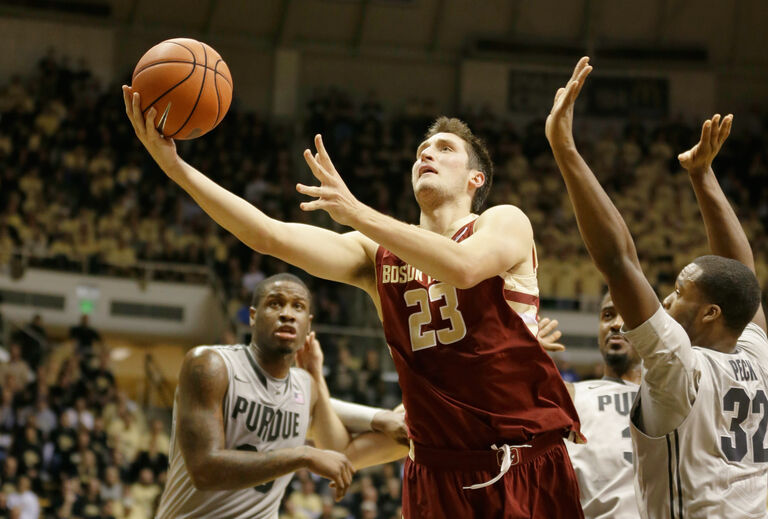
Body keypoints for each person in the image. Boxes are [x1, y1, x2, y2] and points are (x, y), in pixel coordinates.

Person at [123, 86, 583, 519]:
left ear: (474, 179)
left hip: (522, 461)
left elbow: (462, 268)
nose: (427, 153)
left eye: (445, 149)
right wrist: (174, 168)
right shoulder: (374, 256)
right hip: (436, 470)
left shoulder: (503, 221)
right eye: (423, 150)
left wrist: (356, 212)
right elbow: (267, 234)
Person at [546, 57, 768, 518]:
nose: (667, 299)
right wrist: (702, 176)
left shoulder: (677, 367)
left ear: (711, 313)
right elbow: (740, 278)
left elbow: (618, 260)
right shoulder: (757, 359)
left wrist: (565, 150)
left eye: (680, 291)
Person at [156, 274, 406, 519]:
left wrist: (379, 416)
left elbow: (331, 422)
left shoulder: (304, 387)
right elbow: (204, 470)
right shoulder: (212, 364)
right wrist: (303, 455)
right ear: (253, 316)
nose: (287, 313)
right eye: (275, 303)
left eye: (297, 306)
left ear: (308, 324)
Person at [545, 293, 642, 518]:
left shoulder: (672, 396)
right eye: (607, 315)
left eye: (628, 315)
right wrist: (522, 353)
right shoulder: (569, 394)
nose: (616, 324)